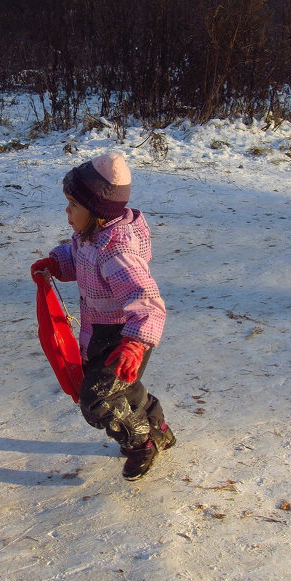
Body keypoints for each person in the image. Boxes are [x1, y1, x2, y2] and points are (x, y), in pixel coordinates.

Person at [31, 152, 175, 481]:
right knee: (124, 390)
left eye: (73, 205)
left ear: (96, 210)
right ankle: (160, 429)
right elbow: (78, 256)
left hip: (126, 337)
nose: (67, 213)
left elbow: (147, 301)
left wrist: (136, 345)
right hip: (102, 332)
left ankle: (141, 442)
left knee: (98, 400)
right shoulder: (91, 236)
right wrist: (56, 263)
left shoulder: (117, 252)